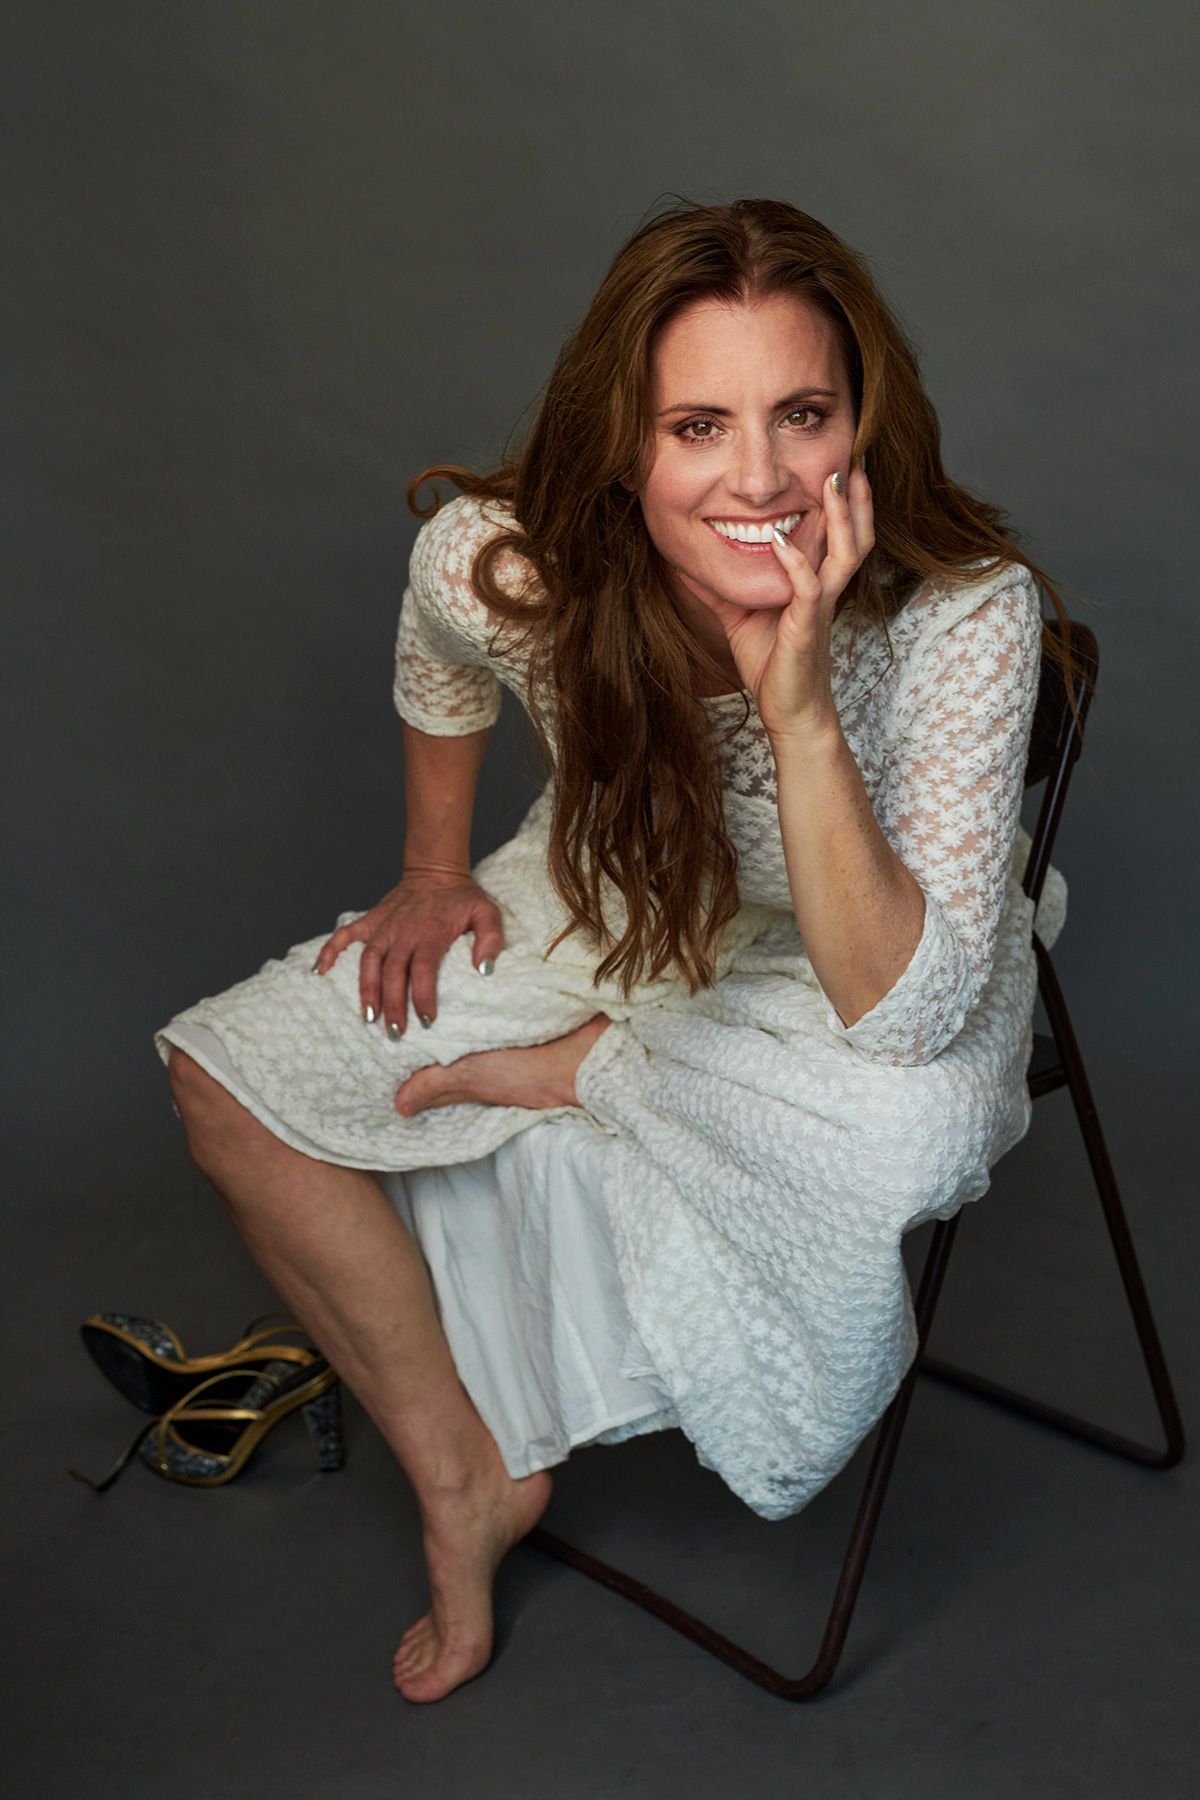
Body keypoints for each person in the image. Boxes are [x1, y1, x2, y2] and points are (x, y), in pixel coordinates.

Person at [155, 197, 1083, 1705]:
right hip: (627, 896)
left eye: (802, 415)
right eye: (698, 426)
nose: (761, 477)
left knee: (916, 1128)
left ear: (864, 421)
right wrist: (429, 869)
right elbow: (438, 619)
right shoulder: (531, 565)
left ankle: (598, 1070)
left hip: (874, 949)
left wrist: (797, 705)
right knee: (226, 1077)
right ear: (625, 448)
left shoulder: (965, 610)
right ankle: (464, 1477)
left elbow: (905, 1014)